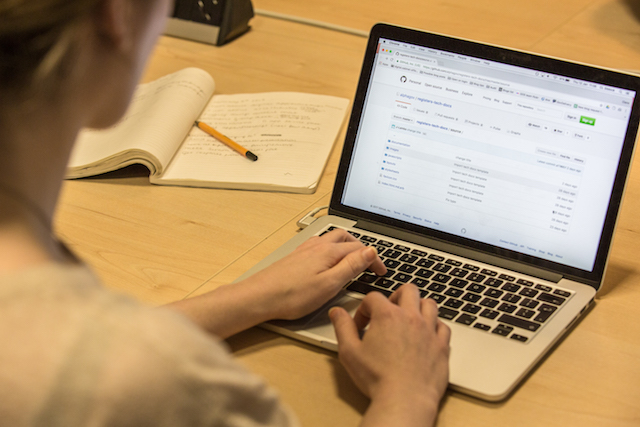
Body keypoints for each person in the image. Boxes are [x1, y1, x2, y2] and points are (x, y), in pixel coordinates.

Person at [0, 0, 451, 425]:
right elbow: (102, 364)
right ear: (116, 14)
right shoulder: (153, 382)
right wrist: (405, 394)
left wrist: (248, 299)